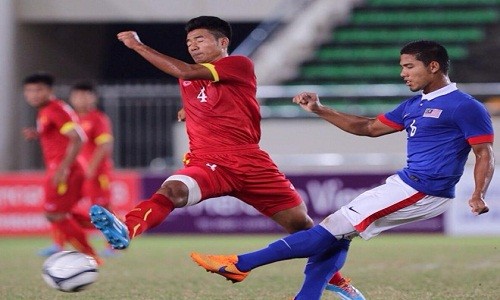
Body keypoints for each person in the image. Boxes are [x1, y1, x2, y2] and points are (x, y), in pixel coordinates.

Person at [190, 40, 495, 300]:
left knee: (331, 227)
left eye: (409, 66)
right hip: (406, 184)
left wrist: (478, 194)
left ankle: (240, 263)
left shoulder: (464, 106)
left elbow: (484, 153)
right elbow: (368, 128)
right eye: (402, 67)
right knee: (337, 234)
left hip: (423, 190)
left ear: (433, 67)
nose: (403, 73)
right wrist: (320, 109)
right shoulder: (413, 105)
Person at [88, 16, 362, 299]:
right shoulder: (193, 79)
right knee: (173, 190)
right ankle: (127, 228)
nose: (193, 46)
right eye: (189, 42)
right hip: (208, 162)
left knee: (303, 227)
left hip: (250, 163)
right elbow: (208, 98)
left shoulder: (237, 64)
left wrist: (138, 46)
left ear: (222, 42)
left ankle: (335, 279)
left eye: (200, 39)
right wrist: (189, 112)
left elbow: (187, 72)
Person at [22, 73, 102, 265]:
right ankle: (107, 225)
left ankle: (91, 255)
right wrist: (39, 133)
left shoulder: (54, 110)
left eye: (38, 89)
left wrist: (63, 168)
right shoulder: (46, 111)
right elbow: (60, 135)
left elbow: (78, 138)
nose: (33, 94)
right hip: (63, 168)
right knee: (60, 213)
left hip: (65, 170)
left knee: (55, 214)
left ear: (50, 91)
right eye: (29, 90)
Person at [69, 82, 117, 257]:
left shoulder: (98, 118)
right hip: (75, 173)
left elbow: (104, 145)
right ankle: (59, 244)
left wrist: (91, 168)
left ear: (93, 97)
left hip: (97, 173)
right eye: (77, 95)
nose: (80, 99)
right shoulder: (70, 119)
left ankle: (112, 244)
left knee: (102, 207)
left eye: (85, 95)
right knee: (63, 208)